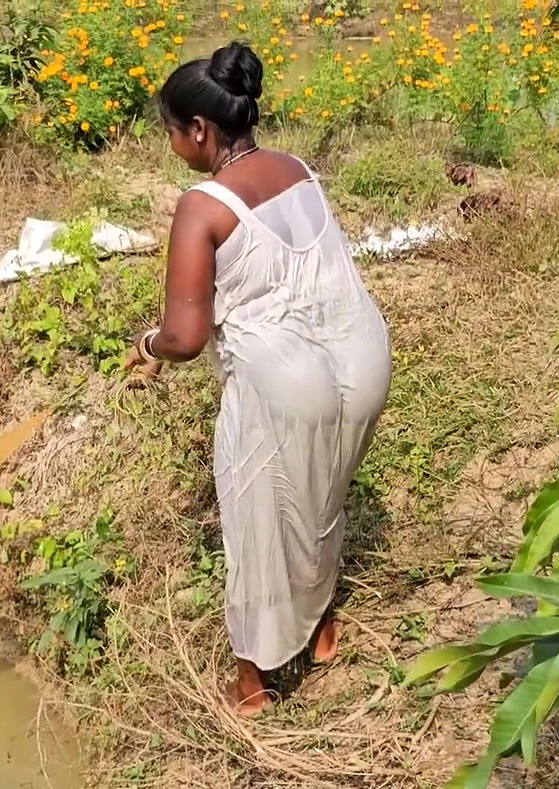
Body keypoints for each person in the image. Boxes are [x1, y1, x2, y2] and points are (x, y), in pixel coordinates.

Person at [125, 42, 393, 717]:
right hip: (361, 357)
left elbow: (185, 338)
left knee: (258, 524)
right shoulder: (298, 169)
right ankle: (323, 630)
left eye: (170, 132)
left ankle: (254, 686)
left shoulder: (202, 205)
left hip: (285, 378)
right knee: (323, 501)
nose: (171, 145)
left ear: (199, 130)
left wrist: (149, 344)